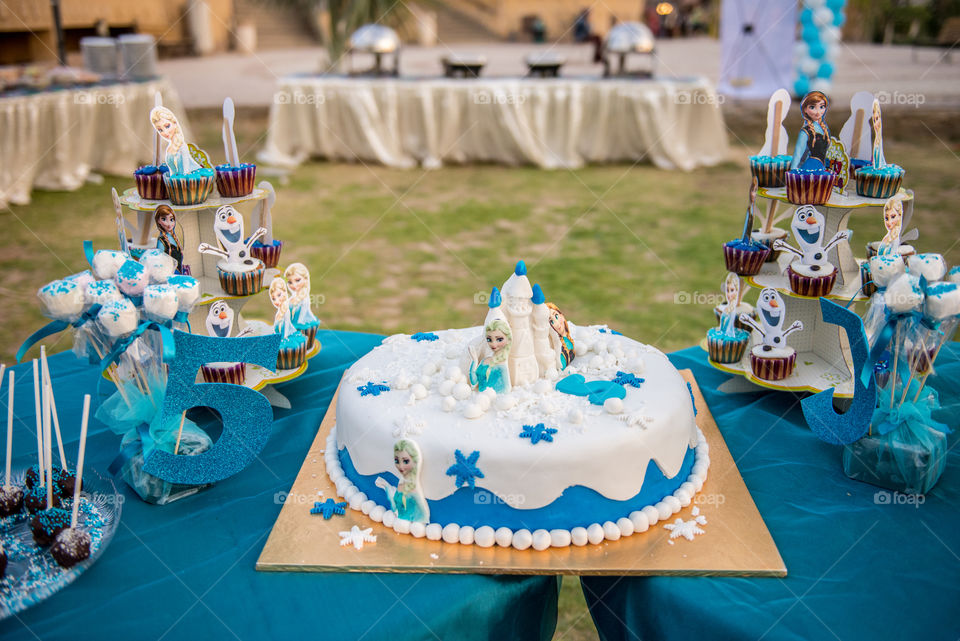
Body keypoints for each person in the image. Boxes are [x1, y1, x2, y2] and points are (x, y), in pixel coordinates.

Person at [375, 440, 429, 523]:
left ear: (415, 461)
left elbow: (424, 517)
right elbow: (396, 509)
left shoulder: (414, 489)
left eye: (406, 461)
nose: (401, 466)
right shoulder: (401, 483)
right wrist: (387, 488)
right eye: (397, 461)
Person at [150, 106, 202, 175]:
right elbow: (172, 171)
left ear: (175, 123)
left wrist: (182, 179)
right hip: (175, 182)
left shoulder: (182, 146)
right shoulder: (168, 149)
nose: (165, 132)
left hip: (189, 180)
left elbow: (186, 170)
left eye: (167, 126)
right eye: (160, 130)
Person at [469, 319, 513, 394]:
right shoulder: (484, 360)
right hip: (480, 398)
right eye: (489, 339)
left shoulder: (502, 365)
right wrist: (475, 360)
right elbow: (474, 383)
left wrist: (493, 396)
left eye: (499, 339)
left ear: (508, 339)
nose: (493, 344)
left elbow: (507, 388)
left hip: (492, 399)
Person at [791, 91, 831, 170]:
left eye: (821, 107)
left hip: (822, 169)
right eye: (812, 107)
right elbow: (798, 154)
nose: (818, 112)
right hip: (809, 170)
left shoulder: (824, 129)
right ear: (805, 109)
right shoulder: (805, 132)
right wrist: (793, 173)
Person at [283, 263, 318, 328]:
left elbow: (302, 317)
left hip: (303, 325)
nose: (294, 285)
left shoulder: (304, 299)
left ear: (305, 279)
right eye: (290, 282)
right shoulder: (291, 299)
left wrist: (296, 325)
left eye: (297, 280)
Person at [154, 204, 186, 274]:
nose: (169, 224)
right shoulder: (161, 241)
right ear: (158, 221)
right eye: (164, 219)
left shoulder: (174, 237)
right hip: (169, 274)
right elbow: (160, 262)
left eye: (171, 219)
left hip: (179, 272)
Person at [545, 302, 575, 370]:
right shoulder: (557, 348)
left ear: (562, 315)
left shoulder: (568, 339)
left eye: (556, 316)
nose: (557, 323)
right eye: (551, 322)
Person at [719, 272, 741, 338]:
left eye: (732, 290)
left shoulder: (732, 310)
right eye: (727, 290)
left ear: (737, 291)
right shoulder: (727, 308)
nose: (729, 294)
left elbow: (728, 329)